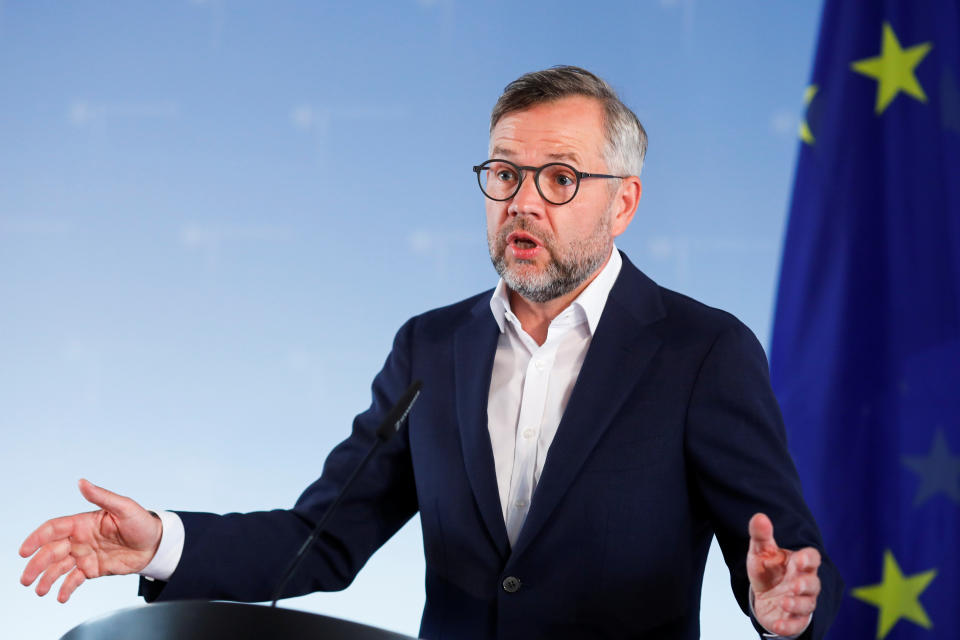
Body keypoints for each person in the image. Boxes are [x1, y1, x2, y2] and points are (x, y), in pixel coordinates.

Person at [19, 66, 842, 639]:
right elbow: (324, 538)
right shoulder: (431, 346)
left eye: (559, 178)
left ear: (622, 202)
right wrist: (162, 541)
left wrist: (782, 608)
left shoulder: (702, 351)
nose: (522, 202)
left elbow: (782, 559)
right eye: (505, 174)